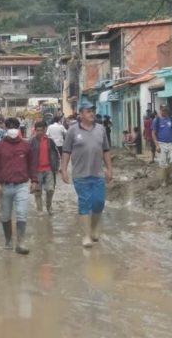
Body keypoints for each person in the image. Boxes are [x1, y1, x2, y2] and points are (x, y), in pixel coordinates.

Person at [61, 101, 113, 248]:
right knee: (84, 203)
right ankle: (86, 236)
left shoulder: (101, 129)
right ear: (81, 114)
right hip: (80, 174)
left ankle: (94, 228)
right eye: (88, 111)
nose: (92, 113)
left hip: (97, 173)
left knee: (98, 203)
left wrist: (109, 169)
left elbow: (106, 151)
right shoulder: (72, 131)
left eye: (93, 111)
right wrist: (64, 169)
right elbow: (66, 151)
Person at [0, 118, 38, 255]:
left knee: (22, 213)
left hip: (22, 185)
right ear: (5, 128)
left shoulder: (25, 146)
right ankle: (8, 241)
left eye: (14, 127)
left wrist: (34, 180)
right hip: (4, 186)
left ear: (18, 129)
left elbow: (32, 165)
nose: (12, 129)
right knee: (5, 215)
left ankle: (21, 243)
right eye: (9, 127)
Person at [30, 121, 60, 215]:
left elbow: (56, 154)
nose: (39, 132)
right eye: (37, 130)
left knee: (50, 189)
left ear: (45, 130)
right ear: (35, 130)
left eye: (41, 130)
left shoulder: (50, 141)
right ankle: (39, 210)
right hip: (37, 171)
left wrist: (57, 166)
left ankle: (49, 207)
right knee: (38, 191)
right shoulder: (31, 142)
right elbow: (28, 156)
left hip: (49, 169)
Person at [152, 104, 172, 187]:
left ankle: (168, 175)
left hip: (171, 143)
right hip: (161, 144)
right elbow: (153, 133)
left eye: (166, 110)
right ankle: (164, 180)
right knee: (163, 163)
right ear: (160, 110)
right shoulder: (157, 120)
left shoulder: (171, 119)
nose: (165, 111)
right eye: (163, 110)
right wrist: (156, 145)